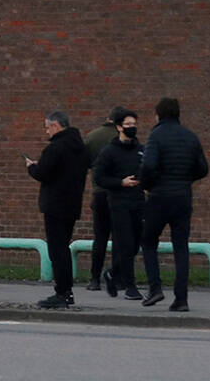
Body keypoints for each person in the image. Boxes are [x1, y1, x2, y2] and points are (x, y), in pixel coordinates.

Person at [139, 96, 208, 311]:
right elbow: (203, 168)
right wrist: (185, 179)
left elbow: (148, 165)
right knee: (181, 247)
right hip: (182, 198)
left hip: (159, 197)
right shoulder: (190, 137)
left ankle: (155, 288)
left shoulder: (155, 136)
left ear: (158, 114)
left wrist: (147, 184)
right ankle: (181, 299)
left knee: (148, 241)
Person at [26, 110, 89, 309]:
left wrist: (31, 167)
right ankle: (66, 292)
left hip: (54, 205)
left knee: (57, 250)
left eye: (47, 127)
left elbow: (43, 173)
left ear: (55, 126)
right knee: (64, 248)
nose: (46, 132)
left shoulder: (55, 148)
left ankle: (62, 292)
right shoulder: (80, 148)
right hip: (72, 205)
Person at [92, 107, 145, 300]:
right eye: (128, 124)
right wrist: (120, 183)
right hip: (118, 203)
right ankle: (130, 287)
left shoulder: (141, 149)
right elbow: (99, 177)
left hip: (138, 202)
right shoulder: (110, 151)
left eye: (134, 124)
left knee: (135, 244)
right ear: (119, 127)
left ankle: (112, 273)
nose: (132, 127)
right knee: (125, 243)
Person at [82, 108, 119, 291]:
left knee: (100, 238)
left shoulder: (93, 136)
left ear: (108, 118)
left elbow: (84, 161)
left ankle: (95, 279)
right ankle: (118, 277)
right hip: (119, 193)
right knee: (120, 237)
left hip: (99, 193)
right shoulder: (123, 138)